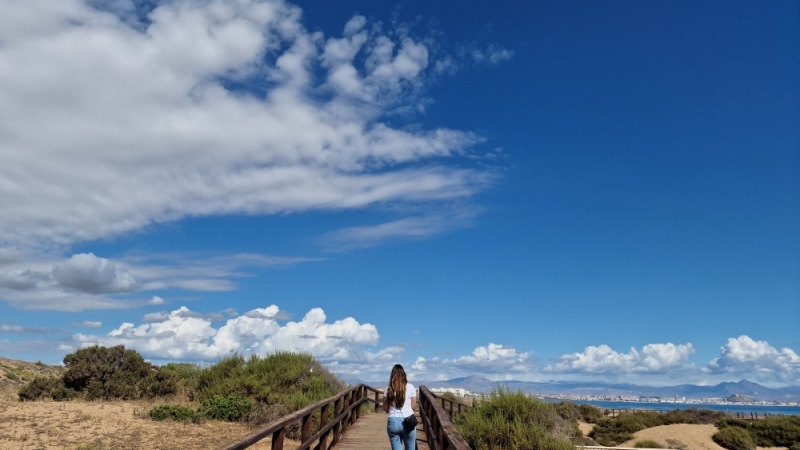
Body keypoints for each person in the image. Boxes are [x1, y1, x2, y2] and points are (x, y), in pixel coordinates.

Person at [383, 364, 417, 450]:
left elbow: (385, 408)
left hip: (392, 422)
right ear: (404, 374)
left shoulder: (388, 388)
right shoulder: (410, 387)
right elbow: (413, 406)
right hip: (408, 421)